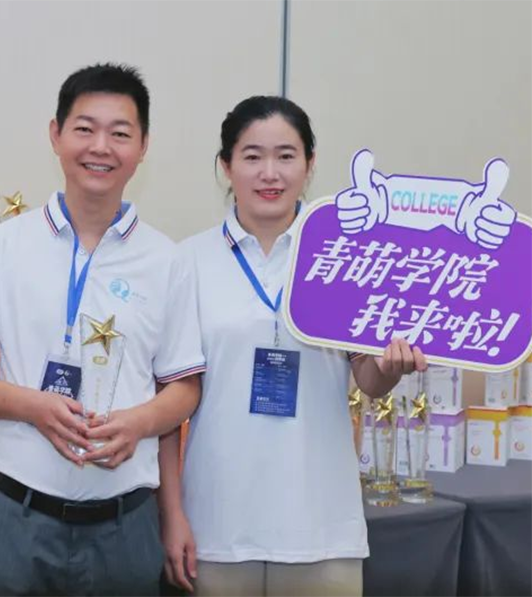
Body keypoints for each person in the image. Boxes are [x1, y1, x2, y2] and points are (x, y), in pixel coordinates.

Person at [0, 63, 205, 597]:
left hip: (126, 526)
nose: (100, 147)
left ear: (143, 146)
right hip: (16, 518)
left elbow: (183, 387)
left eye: (120, 133)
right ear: (56, 134)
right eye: (85, 128)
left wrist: (137, 423)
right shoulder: (4, 247)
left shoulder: (166, 260)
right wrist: (34, 407)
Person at [158, 96, 427, 597]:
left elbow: (368, 379)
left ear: (309, 164)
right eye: (252, 156)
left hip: (321, 527)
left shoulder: (344, 255)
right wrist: (172, 515)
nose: (270, 173)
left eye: (286, 156)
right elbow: (169, 406)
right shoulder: (187, 261)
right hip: (216, 527)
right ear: (225, 166)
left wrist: (392, 367)